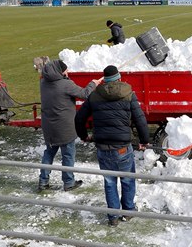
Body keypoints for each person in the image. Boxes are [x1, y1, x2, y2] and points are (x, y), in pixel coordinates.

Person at [75, 65, 149, 226]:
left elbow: (79, 118)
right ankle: (128, 211)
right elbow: (140, 119)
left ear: (104, 80)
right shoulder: (128, 94)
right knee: (127, 180)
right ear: (119, 78)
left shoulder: (94, 95)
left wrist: (84, 136)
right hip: (122, 147)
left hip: (103, 147)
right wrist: (144, 140)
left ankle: (113, 216)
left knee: (109, 181)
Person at [38, 59, 102, 191]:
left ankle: (43, 181)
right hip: (64, 127)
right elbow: (84, 94)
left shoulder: (43, 82)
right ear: (60, 72)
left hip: (49, 127)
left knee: (49, 153)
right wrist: (93, 84)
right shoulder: (65, 84)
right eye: (65, 70)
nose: (67, 72)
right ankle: (68, 182)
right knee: (68, 155)